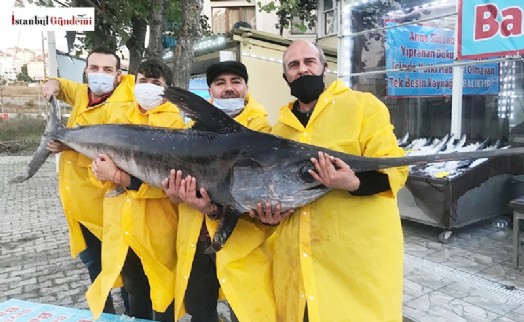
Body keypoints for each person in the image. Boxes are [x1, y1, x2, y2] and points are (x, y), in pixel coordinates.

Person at [250, 40, 408, 322]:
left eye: (309, 62)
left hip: (354, 266)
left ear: (324, 66)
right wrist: (268, 218)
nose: (302, 70)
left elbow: (396, 171)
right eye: (293, 65)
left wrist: (352, 182)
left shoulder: (362, 107)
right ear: (285, 76)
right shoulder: (279, 131)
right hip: (297, 264)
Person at [162, 61, 278, 322]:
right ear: (210, 90)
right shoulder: (191, 133)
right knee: (200, 311)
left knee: (246, 310)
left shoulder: (263, 133)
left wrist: (213, 209)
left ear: (246, 87)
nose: (229, 89)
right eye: (220, 83)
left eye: (236, 82)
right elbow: (174, 192)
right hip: (196, 239)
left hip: (242, 244)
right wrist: (175, 194)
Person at [86, 59, 184, 321]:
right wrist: (102, 175)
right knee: (134, 291)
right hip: (121, 227)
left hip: (159, 227)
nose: (149, 87)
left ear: (167, 88)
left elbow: (166, 184)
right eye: (143, 81)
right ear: (133, 82)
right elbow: (96, 172)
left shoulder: (176, 125)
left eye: (156, 83)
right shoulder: (117, 117)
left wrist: (119, 176)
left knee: (163, 293)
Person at [40, 47, 134, 314]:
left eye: (107, 70)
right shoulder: (84, 93)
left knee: (126, 268)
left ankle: (131, 315)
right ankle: (105, 316)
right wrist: (52, 83)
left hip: (112, 204)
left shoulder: (124, 104)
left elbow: (109, 147)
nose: (100, 75)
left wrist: (68, 145)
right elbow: (64, 86)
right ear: (86, 71)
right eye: (94, 68)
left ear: (118, 75)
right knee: (94, 265)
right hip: (81, 207)